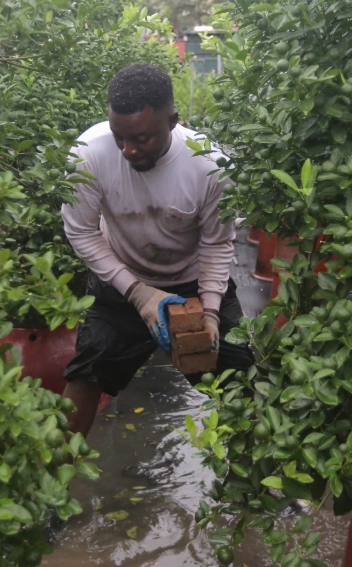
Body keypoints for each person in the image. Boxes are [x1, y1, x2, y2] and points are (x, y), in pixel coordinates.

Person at [59, 63, 254, 436]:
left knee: (240, 381)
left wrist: (210, 310)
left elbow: (216, 243)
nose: (128, 150)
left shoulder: (209, 166)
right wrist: (137, 293)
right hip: (122, 279)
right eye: (120, 137)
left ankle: (250, 485)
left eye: (142, 139)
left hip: (192, 282)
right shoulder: (89, 153)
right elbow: (81, 230)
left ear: (172, 120)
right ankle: (52, 476)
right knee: (87, 371)